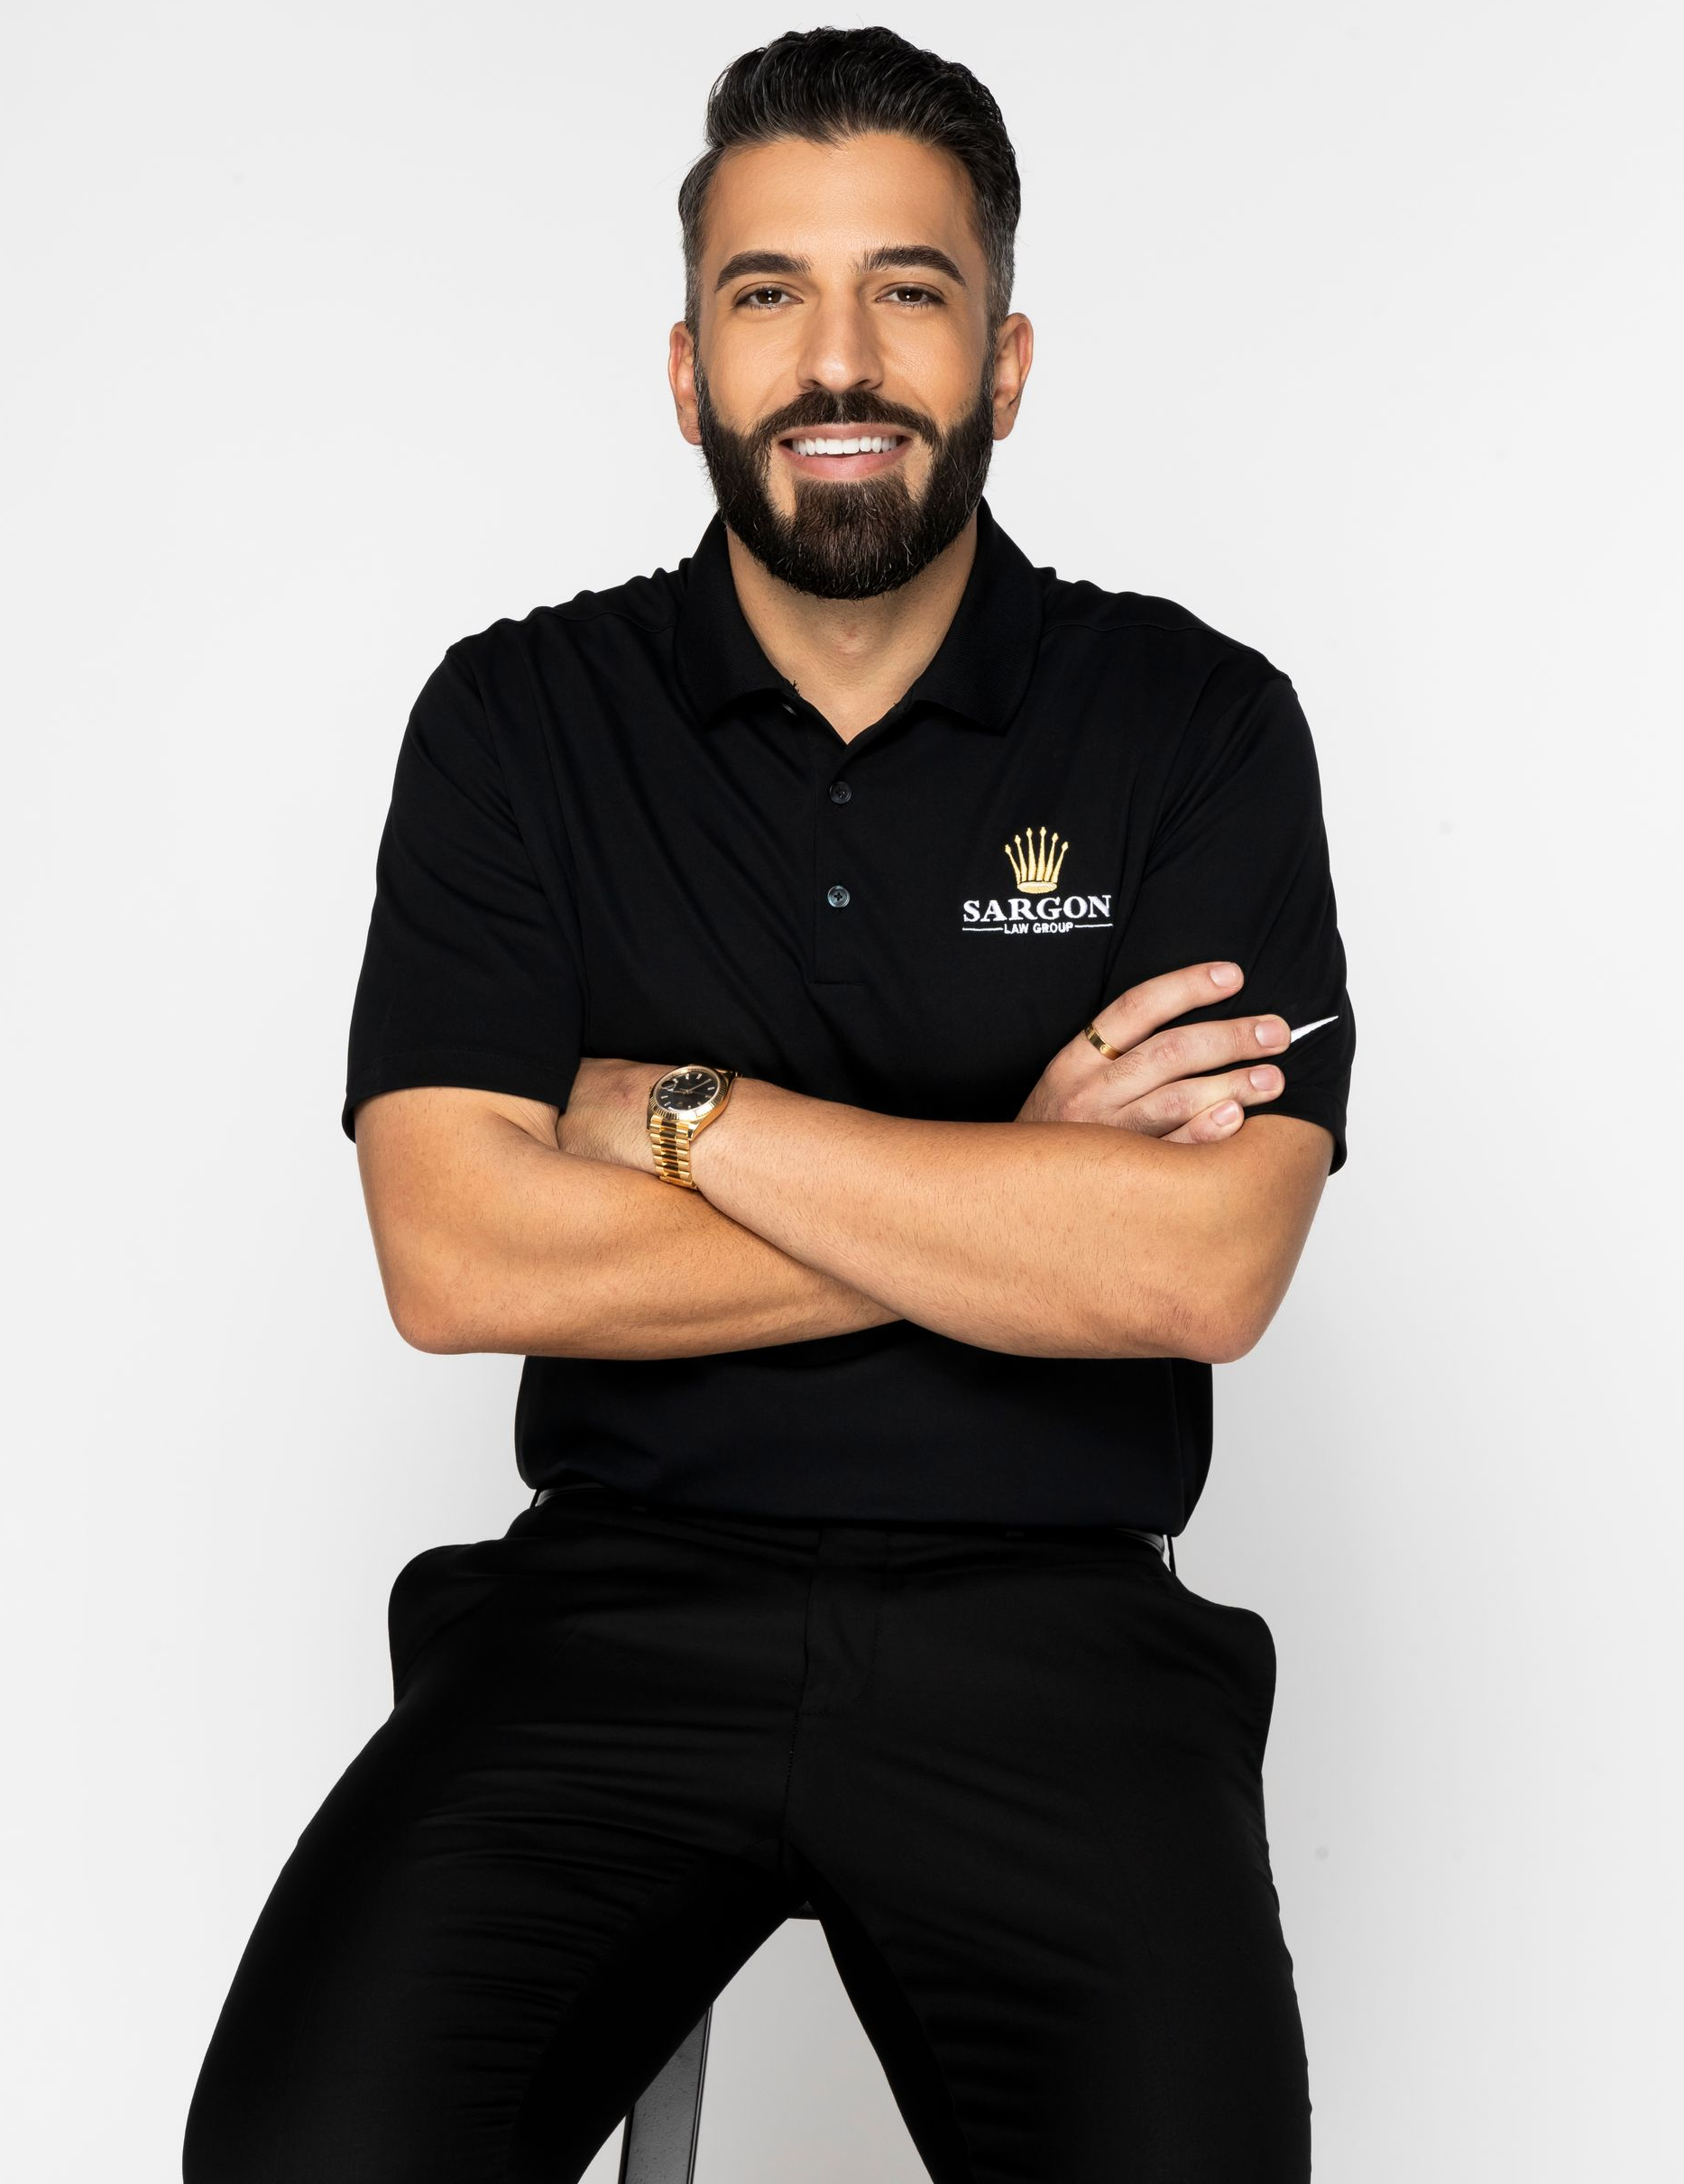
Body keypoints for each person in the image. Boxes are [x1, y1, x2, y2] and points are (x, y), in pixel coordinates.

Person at [184, 25, 1353, 2182]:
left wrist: (682, 1112)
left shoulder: (1194, 723)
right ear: (684, 363)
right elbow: (452, 1256)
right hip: (614, 1603)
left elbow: (1198, 1264)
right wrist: (1016, 1195)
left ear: (1005, 359)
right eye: (768, 294)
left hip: (1056, 1625)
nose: (839, 360)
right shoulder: (519, 719)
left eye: (908, 291)